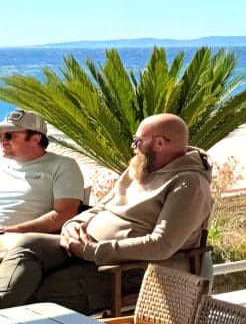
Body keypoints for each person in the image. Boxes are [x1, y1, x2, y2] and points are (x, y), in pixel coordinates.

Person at [0, 114, 213, 313]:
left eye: (138, 141)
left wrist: (92, 251)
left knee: (40, 292)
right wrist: (72, 225)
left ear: (159, 143)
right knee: (28, 245)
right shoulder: (141, 169)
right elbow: (101, 207)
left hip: (128, 269)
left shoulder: (188, 184)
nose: (133, 147)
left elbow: (161, 245)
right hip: (85, 250)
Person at [0, 110, 84, 234]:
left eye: (9, 136)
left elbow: (65, 214)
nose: (3, 140)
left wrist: (12, 230)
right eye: (0, 135)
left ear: (35, 139)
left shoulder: (62, 166)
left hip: (22, 237)